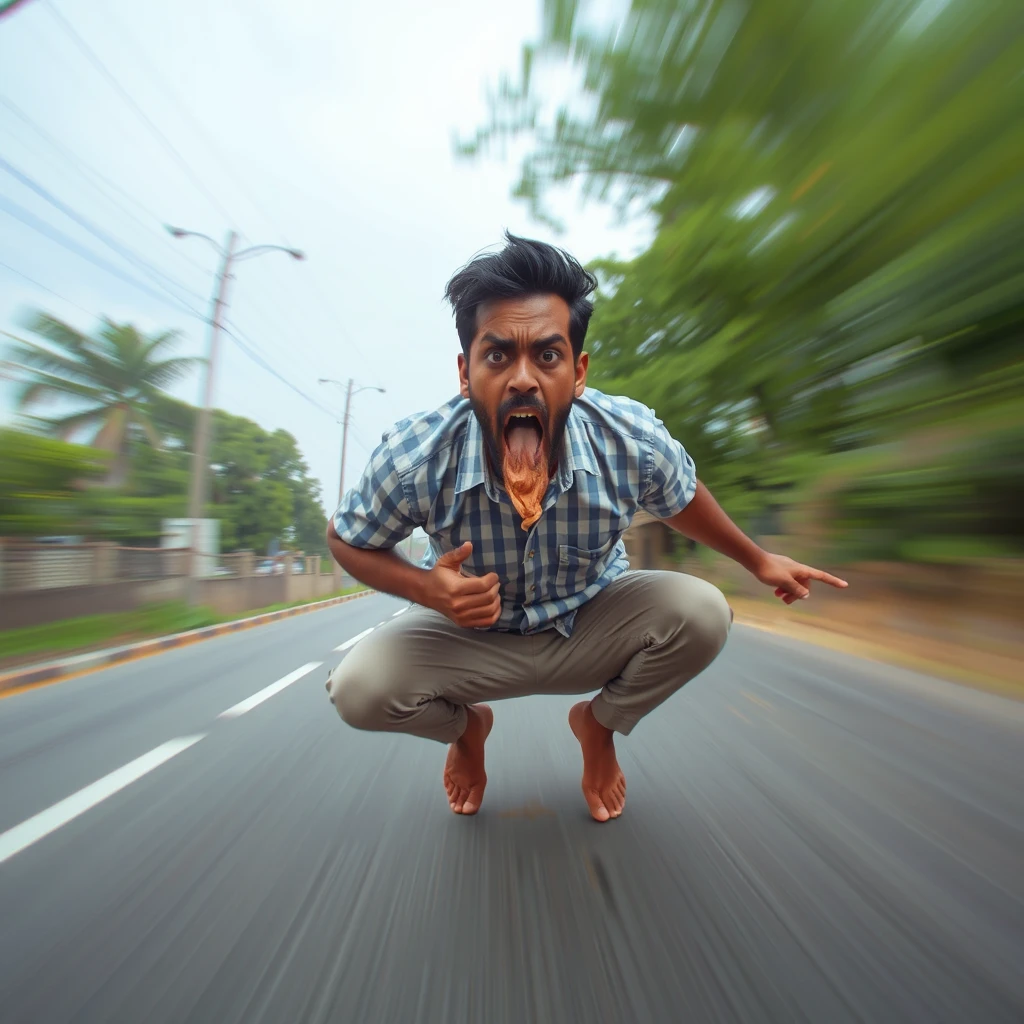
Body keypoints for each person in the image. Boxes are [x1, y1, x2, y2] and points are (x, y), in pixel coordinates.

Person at [325, 232, 847, 822]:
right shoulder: (416, 456)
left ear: (577, 371)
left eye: (547, 356)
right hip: (472, 634)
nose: (523, 379)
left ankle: (597, 727)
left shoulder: (627, 437)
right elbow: (346, 539)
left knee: (704, 613)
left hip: (589, 622)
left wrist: (758, 560)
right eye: (497, 356)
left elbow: (681, 496)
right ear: (465, 373)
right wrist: (427, 589)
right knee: (358, 689)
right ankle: (467, 730)